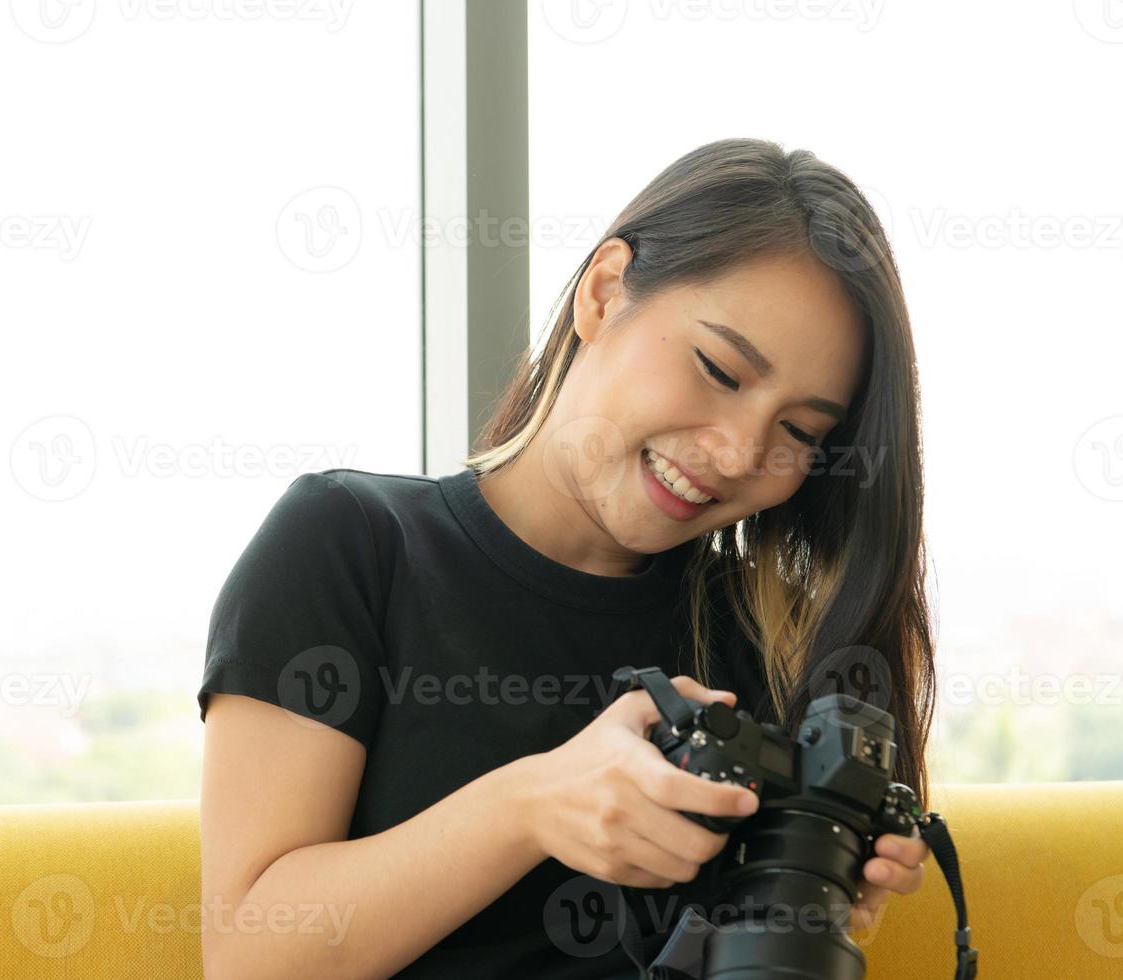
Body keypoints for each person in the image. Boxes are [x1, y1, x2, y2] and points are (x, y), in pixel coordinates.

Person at [196, 137, 934, 979]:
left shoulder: (767, 635)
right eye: (719, 369)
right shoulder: (350, 545)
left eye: (801, 432)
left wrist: (820, 884)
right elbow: (251, 957)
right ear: (605, 291)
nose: (738, 454)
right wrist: (532, 807)